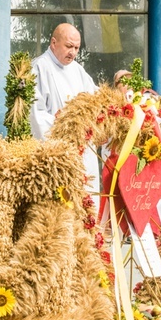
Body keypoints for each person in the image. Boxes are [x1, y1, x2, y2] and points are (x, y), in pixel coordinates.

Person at [29, 23, 99, 198]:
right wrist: (66, 129)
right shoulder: (39, 67)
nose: (73, 52)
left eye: (76, 48)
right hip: (57, 149)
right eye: (69, 46)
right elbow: (35, 113)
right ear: (54, 43)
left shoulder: (77, 69)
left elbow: (94, 97)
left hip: (82, 146)